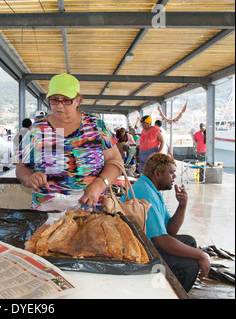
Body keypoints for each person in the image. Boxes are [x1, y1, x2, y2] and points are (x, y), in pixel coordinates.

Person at [16, 73, 122, 210]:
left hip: (90, 209)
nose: (60, 106)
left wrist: (100, 184)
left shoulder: (95, 126)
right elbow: (20, 168)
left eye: (66, 100)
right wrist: (29, 178)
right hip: (47, 212)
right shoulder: (38, 130)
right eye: (54, 100)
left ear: (78, 100)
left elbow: (116, 162)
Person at [121, 153, 210, 292]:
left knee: (190, 241)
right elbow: (161, 241)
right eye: (172, 173)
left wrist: (182, 205)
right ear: (157, 173)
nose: (174, 177)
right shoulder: (145, 193)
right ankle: (166, 293)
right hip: (136, 252)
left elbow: (170, 231)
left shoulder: (152, 190)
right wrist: (200, 255)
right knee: (189, 265)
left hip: (148, 243)